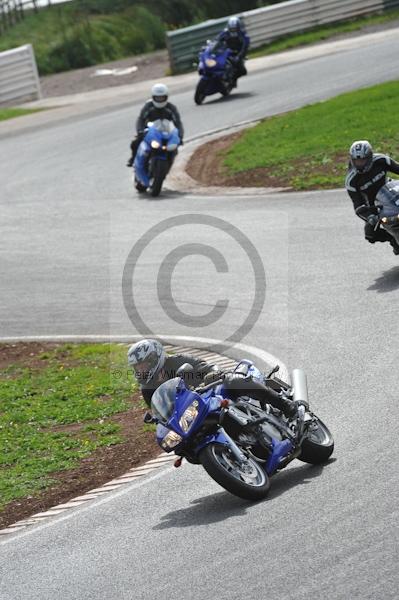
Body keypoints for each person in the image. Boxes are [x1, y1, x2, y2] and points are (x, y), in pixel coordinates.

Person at [127, 339, 298, 418]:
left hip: (212, 392)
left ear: (155, 358)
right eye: (137, 367)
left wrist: (212, 373)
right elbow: (161, 413)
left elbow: (205, 366)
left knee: (234, 381)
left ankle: (285, 405)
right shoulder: (147, 390)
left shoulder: (176, 361)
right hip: (194, 412)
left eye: (143, 365)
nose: (141, 370)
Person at [345, 140, 399, 254]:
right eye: (357, 161)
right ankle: (393, 239)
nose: (360, 163)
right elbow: (358, 205)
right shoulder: (351, 181)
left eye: (363, 160)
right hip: (376, 206)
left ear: (370, 157)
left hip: (393, 191)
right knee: (370, 234)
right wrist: (370, 217)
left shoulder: (381, 160)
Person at [126, 83, 184, 167]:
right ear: (153, 97)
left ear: (166, 97)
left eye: (162, 97)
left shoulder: (171, 108)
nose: (160, 99)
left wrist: (180, 135)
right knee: (135, 143)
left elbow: (178, 123)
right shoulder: (148, 106)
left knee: (175, 147)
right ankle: (133, 159)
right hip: (149, 131)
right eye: (157, 97)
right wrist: (140, 131)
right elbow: (141, 119)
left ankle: (172, 163)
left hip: (166, 131)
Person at [217, 16, 250, 82]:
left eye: (234, 29)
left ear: (238, 27)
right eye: (231, 29)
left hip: (237, 53)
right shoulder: (225, 32)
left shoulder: (243, 34)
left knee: (242, 71)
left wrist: (239, 56)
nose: (233, 30)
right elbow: (217, 39)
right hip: (226, 51)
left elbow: (245, 46)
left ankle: (232, 79)